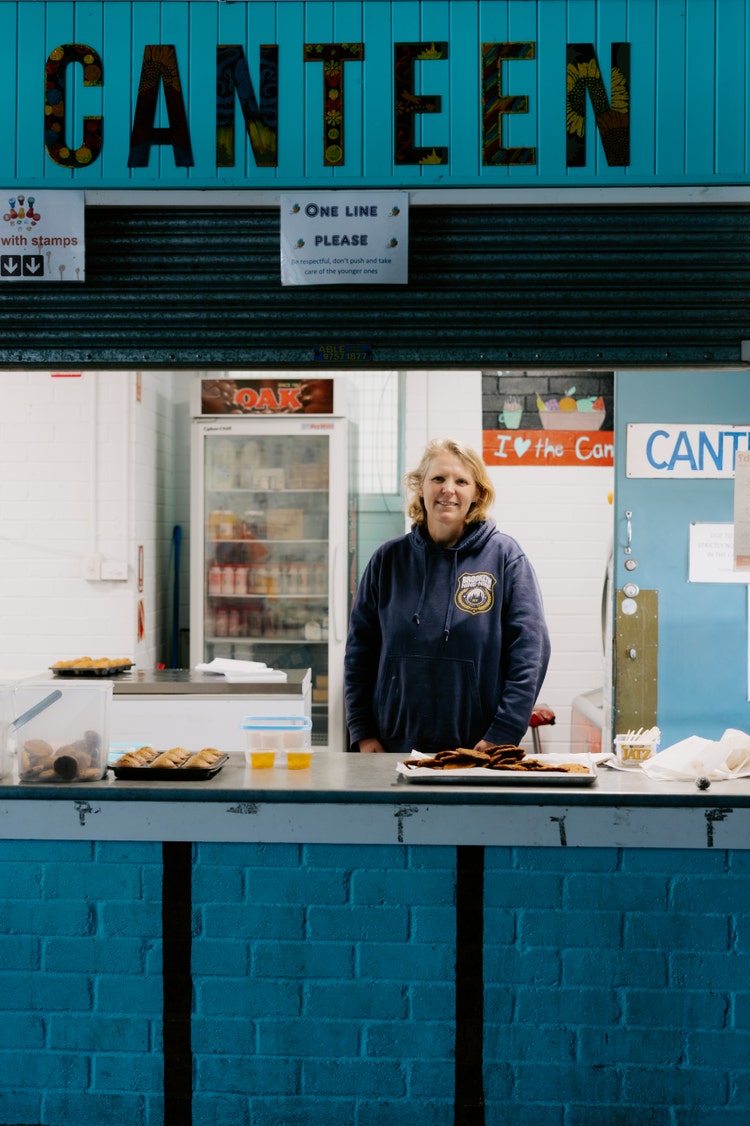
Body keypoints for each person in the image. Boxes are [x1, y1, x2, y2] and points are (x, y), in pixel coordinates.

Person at [344, 438, 551, 755]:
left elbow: (530, 654)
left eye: (461, 481)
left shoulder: (505, 558)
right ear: (421, 487)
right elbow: (360, 653)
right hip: (391, 748)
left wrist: (504, 732)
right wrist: (362, 731)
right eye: (437, 478)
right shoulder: (387, 560)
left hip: (476, 750)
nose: (448, 489)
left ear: (477, 493)